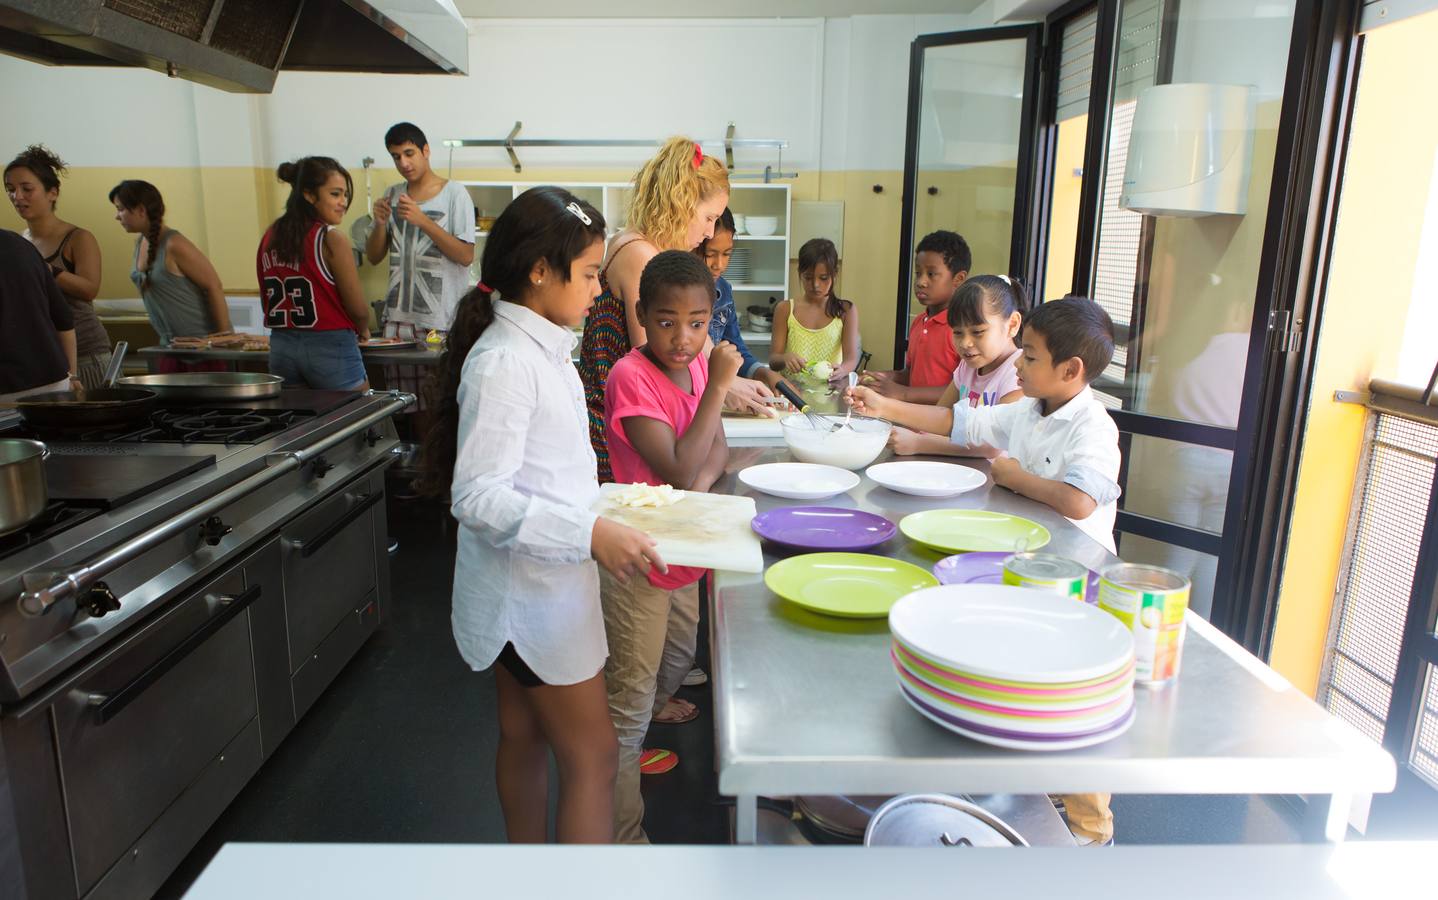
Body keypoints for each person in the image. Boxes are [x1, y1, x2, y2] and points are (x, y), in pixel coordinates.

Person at [415, 186, 664, 844]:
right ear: (539, 272)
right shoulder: (505, 362)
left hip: (529, 589)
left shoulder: (546, 345)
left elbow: (546, 473)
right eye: (587, 275)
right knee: (594, 757)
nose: (597, 290)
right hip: (531, 600)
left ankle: (527, 873)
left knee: (524, 736)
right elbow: (477, 495)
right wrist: (589, 530)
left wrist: (607, 511)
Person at [850, 296, 1121, 848]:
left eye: (1032, 356)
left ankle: (1092, 831)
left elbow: (1079, 502)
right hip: (1031, 577)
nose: (1018, 364)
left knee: (1074, 712)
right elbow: (958, 418)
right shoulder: (1029, 410)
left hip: (1077, 586)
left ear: (1071, 371)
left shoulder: (1093, 426)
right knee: (1028, 692)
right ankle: (1034, 805)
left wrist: (1015, 476)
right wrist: (883, 406)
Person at [600, 250, 742, 843]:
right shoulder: (632, 377)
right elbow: (686, 468)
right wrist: (722, 385)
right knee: (628, 702)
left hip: (686, 551)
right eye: (665, 321)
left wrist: (698, 477)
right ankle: (622, 832)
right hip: (639, 559)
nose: (683, 339)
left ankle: (652, 715)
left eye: (697, 323)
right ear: (640, 315)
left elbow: (716, 452)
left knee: (681, 659)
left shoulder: (697, 368)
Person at [579, 136, 773, 481]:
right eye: (709, 217)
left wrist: (732, 381)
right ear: (681, 204)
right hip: (618, 445)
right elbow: (667, 365)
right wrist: (723, 387)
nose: (710, 231)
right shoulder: (640, 256)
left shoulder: (640, 246)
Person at [365, 122, 476, 420]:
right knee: (402, 409)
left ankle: (434, 467)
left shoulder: (455, 194)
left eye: (409, 153)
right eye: (396, 156)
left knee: (441, 409)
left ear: (426, 151)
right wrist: (378, 223)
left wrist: (423, 220)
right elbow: (374, 256)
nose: (404, 163)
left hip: (440, 321)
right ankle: (409, 465)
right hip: (398, 321)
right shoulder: (392, 193)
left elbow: (465, 255)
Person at [257, 157, 372, 390]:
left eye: (345, 195)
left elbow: (265, 300)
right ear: (309, 195)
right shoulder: (330, 238)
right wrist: (363, 328)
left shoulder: (270, 236)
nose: (343, 202)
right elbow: (357, 307)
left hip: (281, 346)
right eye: (335, 194)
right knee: (361, 419)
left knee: (300, 423)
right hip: (330, 344)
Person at [4, 145, 112, 389]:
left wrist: (44, 269)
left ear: (52, 192)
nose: (17, 197)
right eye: (10, 190)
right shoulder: (20, 241)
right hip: (45, 358)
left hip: (87, 355)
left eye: (26, 189)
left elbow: (89, 289)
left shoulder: (78, 237)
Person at [888, 274, 1027, 458]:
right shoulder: (967, 367)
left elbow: (990, 445)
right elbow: (941, 413)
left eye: (978, 332)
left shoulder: (1019, 373)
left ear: (1012, 325)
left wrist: (918, 442)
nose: (965, 343)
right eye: (958, 333)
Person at [109, 180, 233, 373]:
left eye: (121, 209)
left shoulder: (174, 244)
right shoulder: (141, 242)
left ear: (141, 210)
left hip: (203, 350)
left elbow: (213, 286)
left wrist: (225, 339)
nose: (117, 216)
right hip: (171, 347)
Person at [864, 230, 971, 403]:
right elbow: (911, 374)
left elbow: (961, 390)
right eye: (918, 273)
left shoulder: (962, 330)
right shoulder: (919, 322)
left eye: (931, 274)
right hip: (912, 421)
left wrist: (902, 393)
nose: (921, 282)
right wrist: (885, 378)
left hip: (941, 427)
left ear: (958, 278)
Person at [698, 208, 790, 395]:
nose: (720, 265)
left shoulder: (723, 290)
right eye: (710, 254)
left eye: (727, 253)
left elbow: (736, 349)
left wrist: (762, 372)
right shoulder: (677, 294)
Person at [0, 229, 79, 402]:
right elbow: (63, 318)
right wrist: (72, 376)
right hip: (54, 380)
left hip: (7, 390)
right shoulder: (21, 245)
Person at [769, 238, 860, 386]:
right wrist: (785, 358)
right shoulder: (785, 309)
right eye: (808, 277)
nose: (815, 285)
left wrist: (843, 369)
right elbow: (774, 360)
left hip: (830, 392)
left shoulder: (846, 311)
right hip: (792, 393)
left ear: (834, 274)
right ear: (799, 273)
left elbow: (851, 359)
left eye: (823, 278)